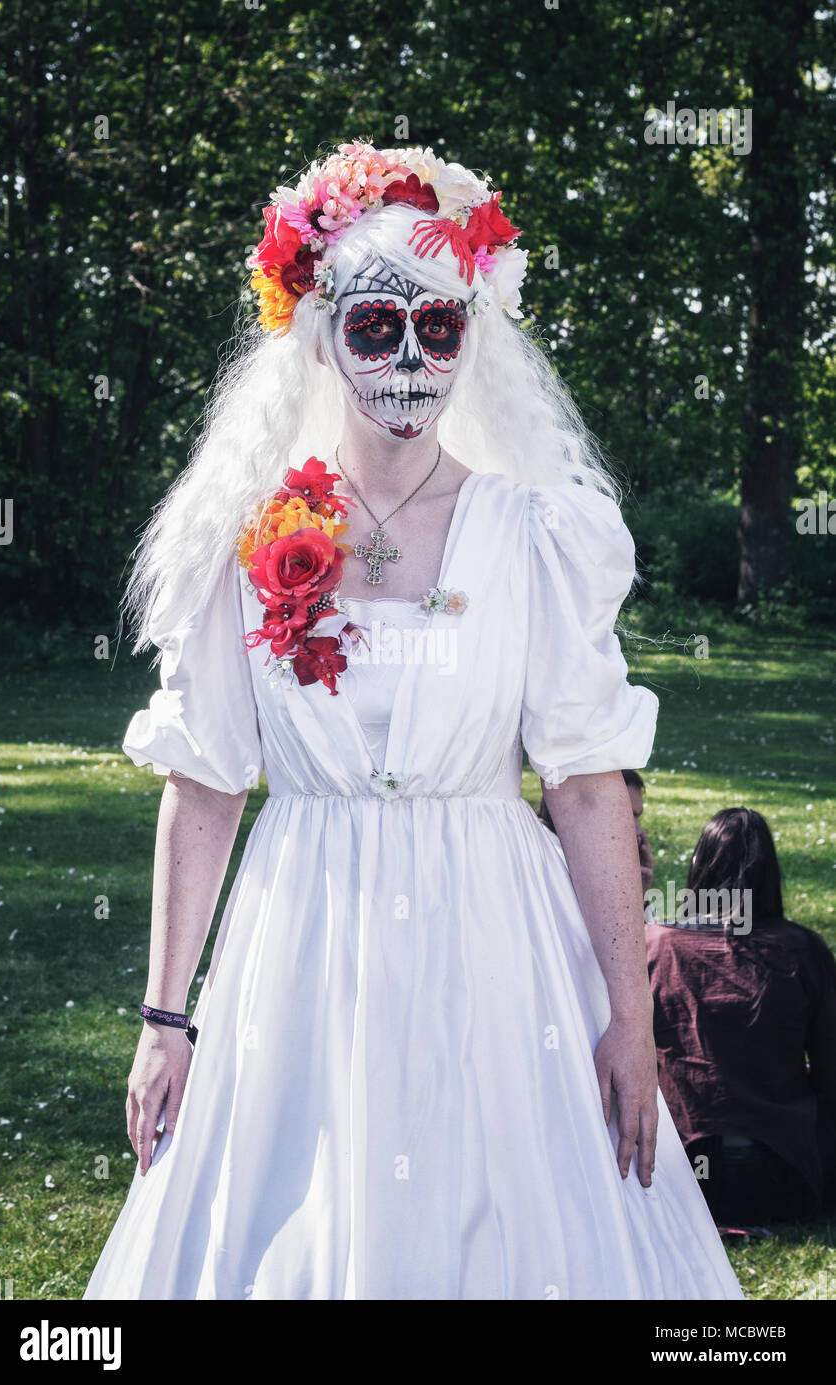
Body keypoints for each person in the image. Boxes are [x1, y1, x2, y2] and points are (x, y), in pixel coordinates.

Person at [84, 141, 742, 1300]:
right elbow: (204, 783)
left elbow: (588, 783)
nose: (406, 358)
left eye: (438, 329)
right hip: (299, 941)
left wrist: (627, 1021)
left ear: (470, 332)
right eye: (376, 327)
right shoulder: (244, 539)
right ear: (324, 330)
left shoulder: (535, 533)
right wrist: (165, 1016)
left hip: (498, 948)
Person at [646, 807, 836, 1226]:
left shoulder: (655, 947)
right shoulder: (803, 950)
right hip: (784, 1174)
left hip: (676, 1176)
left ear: (700, 865)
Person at [538, 769, 654, 900]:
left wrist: (638, 894)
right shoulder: (548, 858)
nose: (638, 830)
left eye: (636, 816)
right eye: (625, 814)